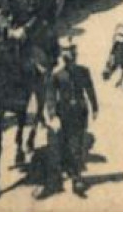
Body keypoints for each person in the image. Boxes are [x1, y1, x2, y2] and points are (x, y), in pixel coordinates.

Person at [40, 39, 97, 199]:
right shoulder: (57, 75)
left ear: (76, 54)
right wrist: (52, 115)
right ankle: (53, 181)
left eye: (72, 51)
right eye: (66, 52)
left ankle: (77, 178)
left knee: (77, 145)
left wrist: (95, 107)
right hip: (62, 113)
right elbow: (51, 96)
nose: (70, 55)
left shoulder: (83, 71)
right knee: (57, 146)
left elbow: (90, 89)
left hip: (79, 112)